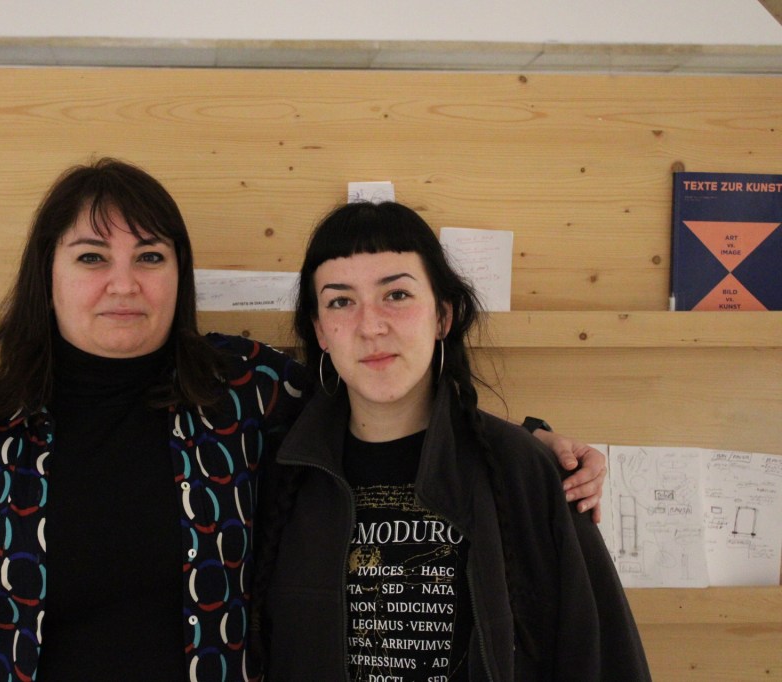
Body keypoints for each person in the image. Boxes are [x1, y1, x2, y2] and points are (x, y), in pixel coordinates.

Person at [0, 159, 608, 681]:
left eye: (150, 256)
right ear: (48, 275)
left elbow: (380, 395)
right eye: (92, 257)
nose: (124, 283)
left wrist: (529, 448)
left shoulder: (244, 391)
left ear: (179, 275)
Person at [255, 201, 650, 681]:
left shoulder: (526, 471)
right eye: (341, 301)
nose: (371, 326)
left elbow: (603, 657)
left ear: (443, 315)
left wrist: (528, 444)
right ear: (320, 331)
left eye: (396, 294)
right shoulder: (280, 476)